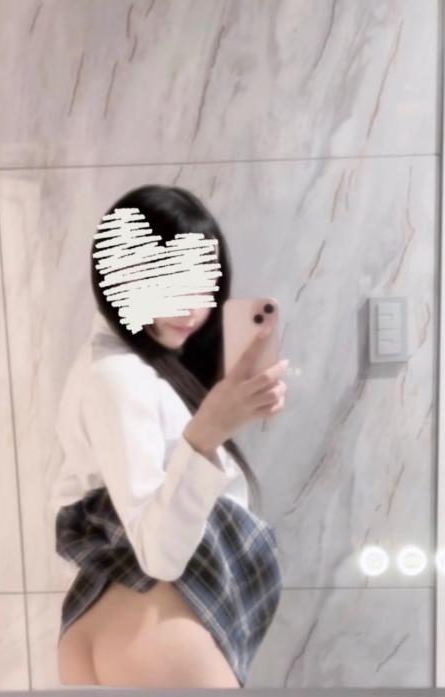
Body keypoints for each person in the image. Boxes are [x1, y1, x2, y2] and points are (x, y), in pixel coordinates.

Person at [50, 184, 288, 688]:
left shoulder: (125, 367)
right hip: (161, 629)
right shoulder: (118, 376)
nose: (189, 310)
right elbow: (158, 554)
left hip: (118, 620)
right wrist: (207, 433)